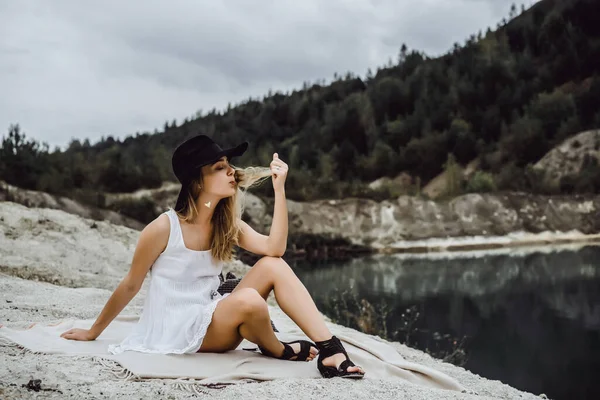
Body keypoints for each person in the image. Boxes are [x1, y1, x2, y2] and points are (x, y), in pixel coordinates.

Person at [61, 134, 365, 379]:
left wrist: (279, 190)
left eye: (228, 164)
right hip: (180, 331)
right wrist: (93, 331)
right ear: (197, 181)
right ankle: (277, 348)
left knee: (273, 266)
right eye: (219, 167)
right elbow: (130, 284)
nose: (231, 171)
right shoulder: (163, 228)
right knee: (250, 303)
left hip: (216, 317)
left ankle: (330, 349)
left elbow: (275, 249)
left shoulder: (226, 224)